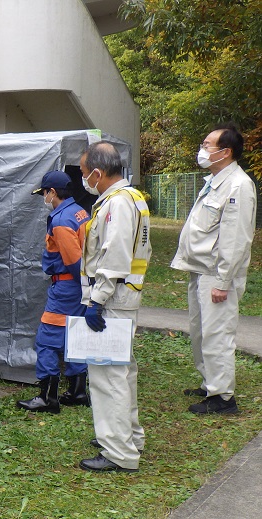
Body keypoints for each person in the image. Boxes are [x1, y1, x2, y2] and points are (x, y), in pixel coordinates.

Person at [171, 123, 256, 415]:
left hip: (218, 274)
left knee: (217, 334)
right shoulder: (215, 180)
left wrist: (223, 280)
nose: (202, 149)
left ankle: (223, 398)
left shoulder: (238, 186)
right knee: (200, 330)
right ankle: (210, 383)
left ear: (226, 151)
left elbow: (236, 238)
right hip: (201, 268)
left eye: (207, 145)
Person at [77, 141, 151, 473]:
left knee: (108, 376)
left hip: (112, 299)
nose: (83, 179)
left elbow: (114, 256)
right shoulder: (129, 197)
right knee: (122, 372)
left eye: (83, 173)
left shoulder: (117, 204)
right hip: (121, 298)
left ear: (97, 172)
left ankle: (119, 451)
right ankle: (128, 437)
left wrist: (96, 300)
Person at [17, 170, 90, 413]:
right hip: (78, 286)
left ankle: (48, 397)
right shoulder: (79, 211)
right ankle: (77, 391)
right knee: (75, 334)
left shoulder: (61, 221)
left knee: (47, 340)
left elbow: (73, 260)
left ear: (52, 193)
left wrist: (80, 284)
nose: (44, 198)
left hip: (67, 286)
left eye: (44, 194)